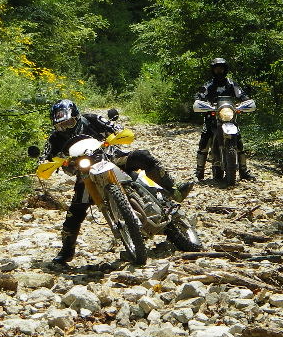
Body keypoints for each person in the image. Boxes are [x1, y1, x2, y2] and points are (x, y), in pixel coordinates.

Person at [40, 99, 194, 264]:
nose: (65, 128)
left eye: (69, 123)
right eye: (60, 125)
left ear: (77, 117)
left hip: (111, 157)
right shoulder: (54, 139)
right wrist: (46, 164)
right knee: (74, 212)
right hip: (84, 174)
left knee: (143, 156)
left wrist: (118, 134)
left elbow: (115, 127)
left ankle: (174, 190)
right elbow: (43, 159)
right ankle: (66, 251)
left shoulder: (91, 119)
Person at [194, 58, 256, 181]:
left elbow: (242, 94)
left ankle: (243, 171)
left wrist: (245, 101)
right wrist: (200, 101)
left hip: (229, 117)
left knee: (239, 141)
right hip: (212, 117)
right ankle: (199, 172)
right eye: (217, 69)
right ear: (213, 70)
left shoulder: (231, 84)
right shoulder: (208, 85)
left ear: (225, 70)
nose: (219, 71)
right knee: (204, 141)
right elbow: (199, 95)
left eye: (221, 68)